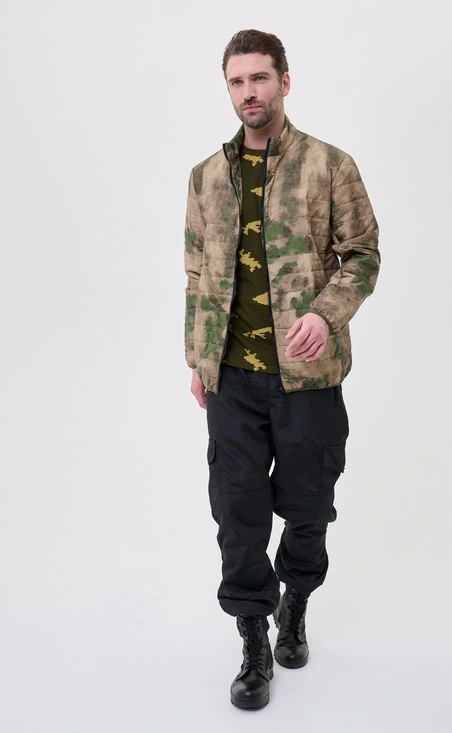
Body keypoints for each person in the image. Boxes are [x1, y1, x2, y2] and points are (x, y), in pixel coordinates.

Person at [184, 29, 380, 709]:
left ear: (285, 82)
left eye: (260, 78)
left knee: (308, 506)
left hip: (308, 377)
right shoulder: (206, 177)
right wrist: (198, 356)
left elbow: (363, 255)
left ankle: (295, 604)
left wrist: (325, 314)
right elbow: (196, 273)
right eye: (237, 82)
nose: (249, 93)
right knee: (237, 512)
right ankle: (252, 643)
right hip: (231, 377)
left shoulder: (330, 165)